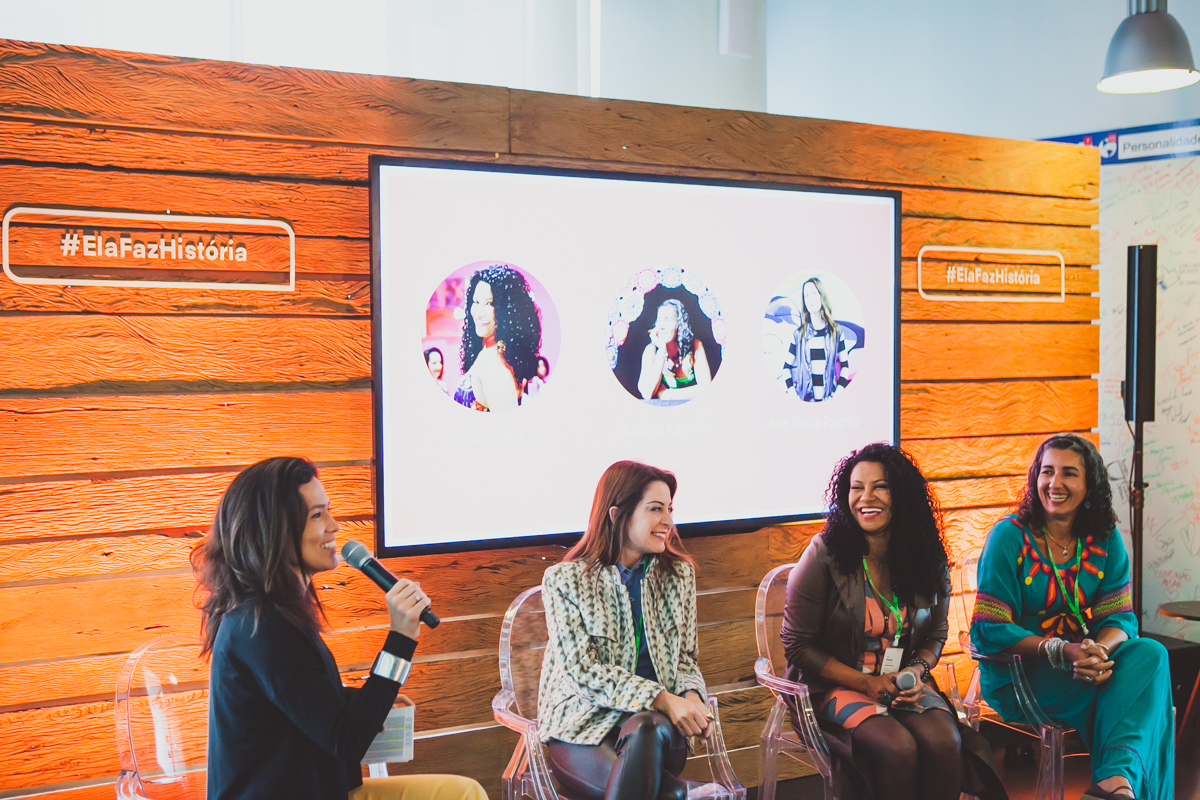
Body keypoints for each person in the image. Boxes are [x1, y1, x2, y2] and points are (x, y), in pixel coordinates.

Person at [192, 457, 487, 800]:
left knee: (461, 793)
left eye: (328, 511)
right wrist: (401, 638)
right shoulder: (262, 625)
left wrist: (361, 699)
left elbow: (299, 700)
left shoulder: (272, 614)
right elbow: (346, 741)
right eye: (317, 515)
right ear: (275, 530)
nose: (334, 525)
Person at [781, 443, 1004, 800]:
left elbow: (936, 631)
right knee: (897, 747)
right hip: (833, 686)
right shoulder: (823, 554)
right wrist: (864, 683)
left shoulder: (926, 554)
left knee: (945, 740)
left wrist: (916, 671)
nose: (866, 498)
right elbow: (797, 645)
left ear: (901, 495)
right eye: (856, 488)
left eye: (880, 486)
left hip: (901, 682)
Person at [971, 433, 1174, 800]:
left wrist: (1098, 650)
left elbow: (1121, 617)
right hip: (1019, 672)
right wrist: (1064, 651)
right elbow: (989, 628)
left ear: (1089, 484)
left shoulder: (1103, 537)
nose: (1055, 483)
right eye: (1047, 472)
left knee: (1151, 654)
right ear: (1035, 479)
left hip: (1086, 664)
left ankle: (1113, 785)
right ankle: (1117, 783)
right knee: (1135, 695)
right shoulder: (1008, 536)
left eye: (1069, 473)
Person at [539, 461, 712, 800]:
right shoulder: (565, 581)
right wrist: (661, 697)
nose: (668, 521)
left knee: (646, 726)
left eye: (670, 510)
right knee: (667, 795)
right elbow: (581, 671)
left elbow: (687, 659)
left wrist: (690, 696)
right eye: (655, 509)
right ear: (617, 514)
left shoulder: (678, 576)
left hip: (656, 728)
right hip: (580, 727)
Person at [453, 264, 542, 412]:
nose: (479, 313)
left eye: (489, 303)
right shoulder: (497, 351)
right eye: (476, 302)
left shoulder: (493, 362)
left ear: (507, 310)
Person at [786, 277, 855, 402]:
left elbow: (845, 366)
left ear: (821, 295)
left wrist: (838, 392)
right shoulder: (798, 335)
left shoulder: (836, 332)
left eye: (814, 292)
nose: (810, 298)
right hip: (804, 402)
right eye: (806, 295)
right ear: (804, 302)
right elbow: (786, 368)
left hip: (829, 402)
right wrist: (793, 396)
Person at [636, 298, 711, 402]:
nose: (661, 326)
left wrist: (667, 394)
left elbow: (707, 389)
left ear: (679, 324)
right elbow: (647, 393)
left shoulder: (695, 346)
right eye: (659, 319)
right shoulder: (651, 351)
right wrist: (661, 351)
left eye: (668, 319)